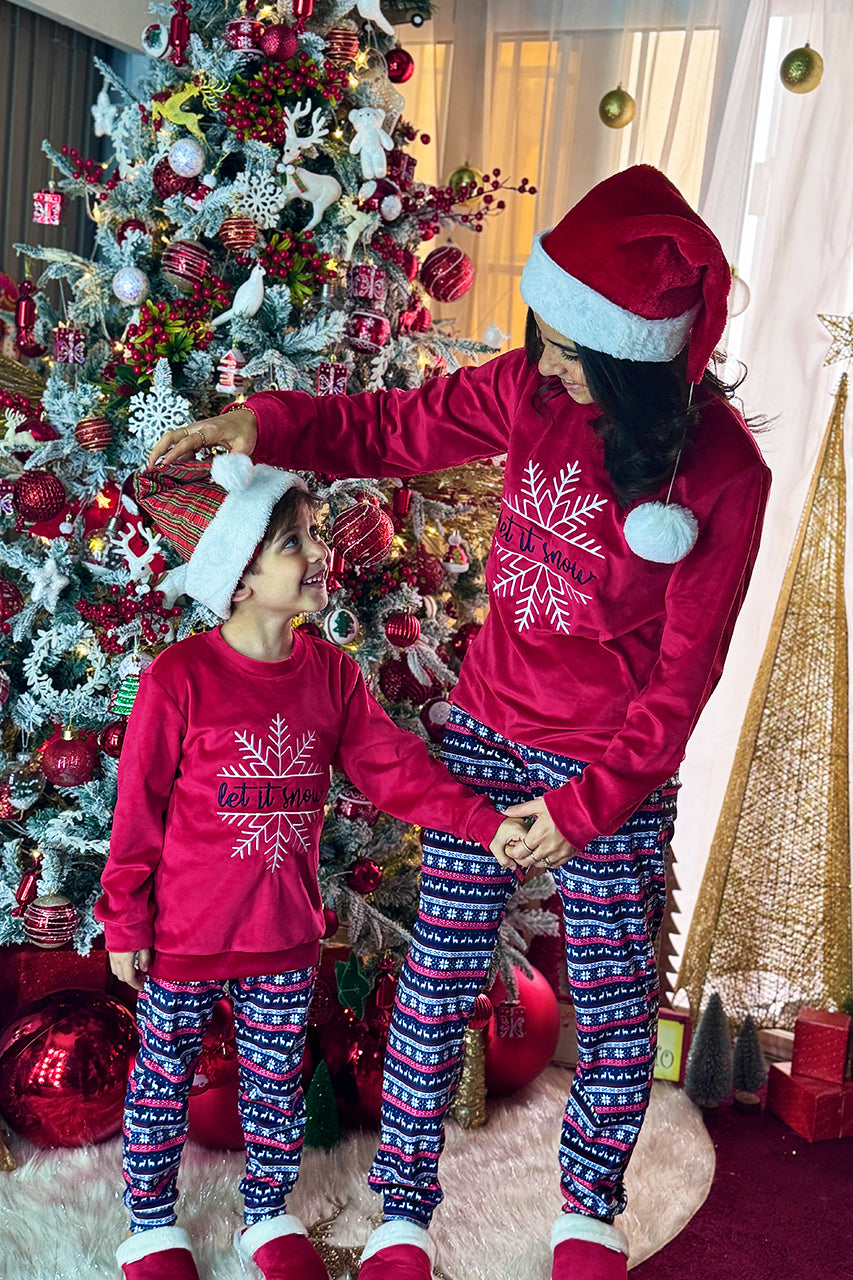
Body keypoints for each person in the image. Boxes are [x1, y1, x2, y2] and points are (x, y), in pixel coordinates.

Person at [149, 165, 771, 1280]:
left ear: (644, 362)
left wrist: (583, 808)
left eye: (577, 355)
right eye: (545, 340)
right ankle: (402, 1213)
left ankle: (588, 1211)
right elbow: (395, 425)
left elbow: (682, 683)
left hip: (608, 770)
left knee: (618, 1008)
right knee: (434, 984)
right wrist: (269, 418)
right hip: (485, 732)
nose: (547, 367)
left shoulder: (721, 472)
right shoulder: (526, 393)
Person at [95, 453, 528, 1280]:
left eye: (317, 534)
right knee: (161, 1083)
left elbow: (392, 768)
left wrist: (481, 823)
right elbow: (138, 810)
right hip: (185, 936)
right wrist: (126, 918)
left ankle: (266, 1215)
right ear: (240, 574)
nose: (320, 552)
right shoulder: (177, 678)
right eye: (295, 541)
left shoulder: (330, 673)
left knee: (273, 1085)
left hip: (283, 933)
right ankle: (149, 1227)